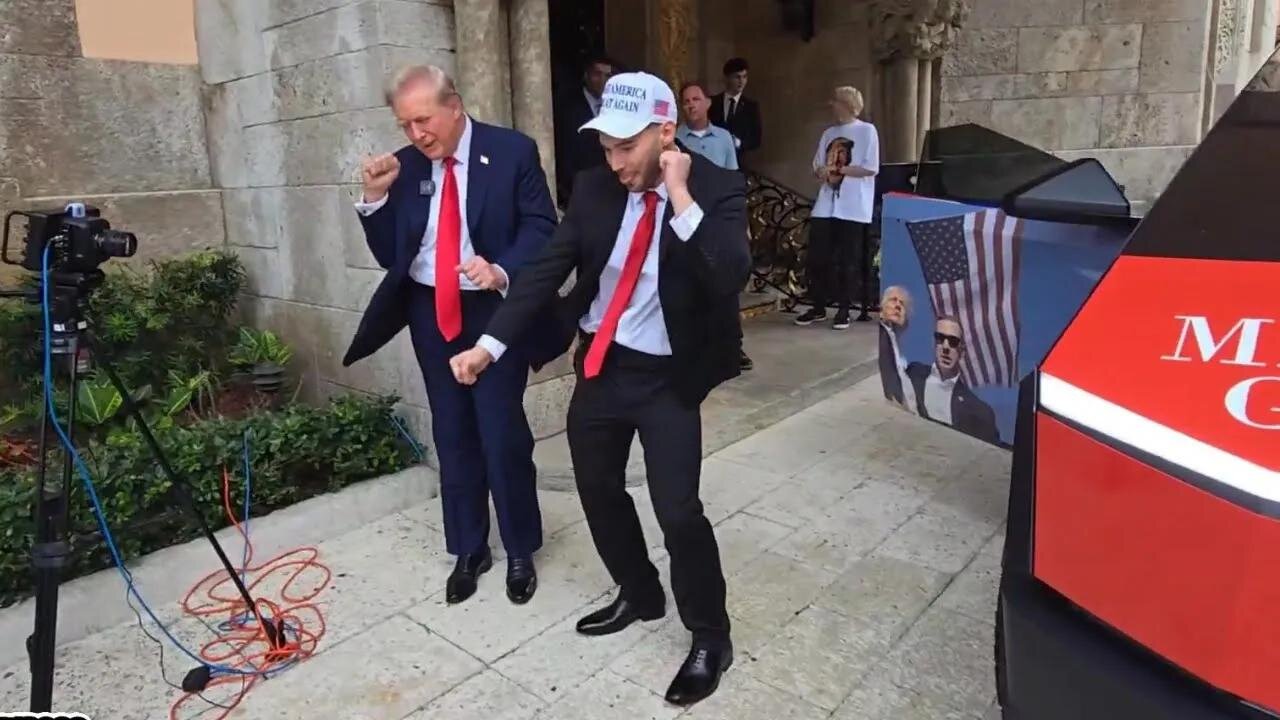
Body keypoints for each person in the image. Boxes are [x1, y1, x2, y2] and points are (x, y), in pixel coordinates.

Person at [449, 72, 748, 707]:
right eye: (605, 147)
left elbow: (728, 276)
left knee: (678, 511)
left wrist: (680, 197)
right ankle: (639, 593)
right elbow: (543, 273)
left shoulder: (717, 189)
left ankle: (709, 636)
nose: (613, 163)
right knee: (598, 491)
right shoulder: (594, 190)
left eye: (626, 148)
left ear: (666, 134)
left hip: (668, 379)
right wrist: (489, 345)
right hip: (602, 366)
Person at [342, 64, 562, 607]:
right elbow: (395, 254)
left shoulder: (512, 152)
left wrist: (502, 268)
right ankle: (469, 547)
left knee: (500, 428)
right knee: (452, 428)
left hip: (492, 310)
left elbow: (542, 228)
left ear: (455, 105)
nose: (416, 134)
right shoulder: (409, 166)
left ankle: (518, 548)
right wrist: (374, 198)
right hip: (429, 310)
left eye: (423, 120)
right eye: (405, 123)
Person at [676, 80, 753, 372]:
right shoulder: (677, 139)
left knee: (725, 283)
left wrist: (741, 222)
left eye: (696, 99)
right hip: (687, 215)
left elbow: (734, 180)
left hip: (719, 216)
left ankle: (733, 345)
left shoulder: (723, 139)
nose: (691, 105)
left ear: (708, 102)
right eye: (686, 101)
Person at [795, 85, 880, 330]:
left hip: (853, 206)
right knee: (818, 257)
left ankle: (844, 309)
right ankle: (818, 305)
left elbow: (870, 167)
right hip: (826, 205)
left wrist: (839, 169)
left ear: (845, 104)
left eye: (835, 101)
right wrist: (821, 170)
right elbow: (817, 165)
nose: (831, 105)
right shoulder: (828, 133)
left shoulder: (867, 131)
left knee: (848, 259)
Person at [906, 316, 999, 443]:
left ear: (962, 352)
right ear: (933, 343)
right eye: (940, 338)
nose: (946, 346)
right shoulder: (913, 373)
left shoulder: (981, 412)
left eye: (953, 341)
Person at [554, 54, 615, 208]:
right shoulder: (566, 108)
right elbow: (563, 152)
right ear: (586, 76)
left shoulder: (616, 106)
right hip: (577, 193)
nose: (603, 80)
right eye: (597, 74)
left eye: (607, 75)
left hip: (613, 190)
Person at [709, 58, 762, 164]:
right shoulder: (712, 103)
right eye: (737, 77)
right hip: (713, 162)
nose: (741, 81)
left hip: (739, 164)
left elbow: (756, 139)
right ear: (727, 78)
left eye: (744, 77)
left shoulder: (751, 107)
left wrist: (739, 143)